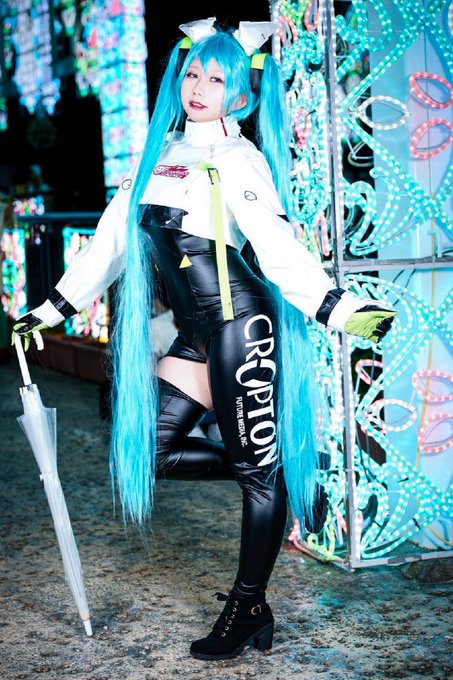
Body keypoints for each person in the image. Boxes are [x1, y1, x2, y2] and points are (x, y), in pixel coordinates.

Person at [12, 18, 396, 661]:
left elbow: (275, 247)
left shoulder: (238, 158)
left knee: (254, 476)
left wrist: (338, 308)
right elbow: (110, 245)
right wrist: (50, 309)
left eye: (217, 79)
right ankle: (273, 476)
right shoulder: (158, 153)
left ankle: (249, 606)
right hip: (196, 332)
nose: (199, 87)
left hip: (241, 324)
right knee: (150, 451)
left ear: (240, 94)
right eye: (193, 73)